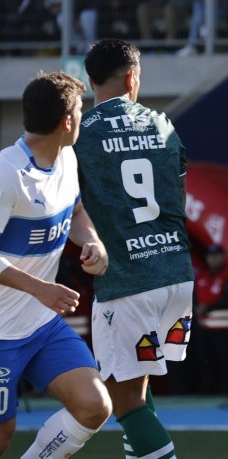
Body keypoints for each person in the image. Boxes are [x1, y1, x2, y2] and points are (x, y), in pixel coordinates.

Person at [79, 39, 195, 459]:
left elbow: (69, 204)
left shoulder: (83, 133)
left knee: (122, 399)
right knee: (138, 387)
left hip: (127, 281)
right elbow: (178, 197)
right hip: (176, 274)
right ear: (132, 78)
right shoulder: (163, 124)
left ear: (90, 80)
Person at [0, 72, 112, 458]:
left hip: (41, 326)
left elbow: (77, 211)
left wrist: (93, 241)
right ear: (67, 121)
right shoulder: (7, 173)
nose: (83, 116)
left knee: (95, 405)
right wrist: (40, 287)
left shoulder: (66, 157)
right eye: (80, 109)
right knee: (2, 435)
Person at [193, 243, 228, 395]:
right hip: (204, 327)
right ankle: (208, 390)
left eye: (217, 255)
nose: (213, 259)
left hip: (224, 326)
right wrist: (196, 307)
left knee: (226, 360)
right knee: (205, 360)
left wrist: (209, 308)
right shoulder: (202, 276)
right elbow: (194, 298)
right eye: (210, 256)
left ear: (223, 257)